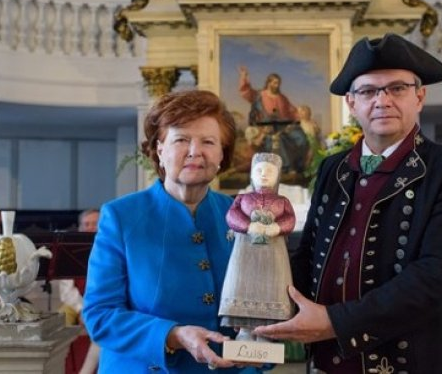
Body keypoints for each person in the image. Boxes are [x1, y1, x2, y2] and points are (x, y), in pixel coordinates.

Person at [254, 33, 442, 373]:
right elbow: (308, 256)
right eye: (368, 91)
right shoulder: (331, 168)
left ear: (419, 97)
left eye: (397, 88)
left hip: (417, 363)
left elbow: (438, 276)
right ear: (351, 103)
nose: (383, 100)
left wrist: (334, 321)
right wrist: (262, 312)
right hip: (329, 363)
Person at [82, 90, 261, 374]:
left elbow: (259, 304)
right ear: (159, 149)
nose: (195, 151)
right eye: (181, 139)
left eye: (208, 142)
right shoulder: (121, 217)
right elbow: (100, 316)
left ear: (222, 155)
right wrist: (174, 336)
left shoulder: (241, 214)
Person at [219, 152, 296, 341]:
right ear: (251, 174)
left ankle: (265, 333)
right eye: (259, 170)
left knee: (272, 287)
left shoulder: (282, 202)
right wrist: (248, 226)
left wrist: (277, 227)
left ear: (278, 175)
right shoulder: (242, 199)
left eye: (270, 171)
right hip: (245, 254)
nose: (263, 174)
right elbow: (232, 216)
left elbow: (290, 219)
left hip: (273, 256)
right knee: (243, 284)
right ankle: (245, 330)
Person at [238, 65, 309, 175]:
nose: (277, 85)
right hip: (265, 128)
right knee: (278, 140)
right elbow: (247, 93)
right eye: (275, 82)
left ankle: (300, 165)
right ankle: (286, 168)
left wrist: (299, 118)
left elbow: (292, 111)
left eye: (278, 83)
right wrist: (244, 77)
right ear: (269, 83)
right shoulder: (259, 95)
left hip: (283, 126)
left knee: (301, 137)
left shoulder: (282, 97)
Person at [60, 208, 101, 374]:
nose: (90, 228)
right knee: (58, 322)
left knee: (101, 324)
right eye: (86, 224)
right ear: (80, 228)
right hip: (75, 304)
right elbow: (66, 290)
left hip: (101, 304)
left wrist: (90, 311)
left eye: (95, 224)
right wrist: (81, 309)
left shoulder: (111, 250)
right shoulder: (69, 252)